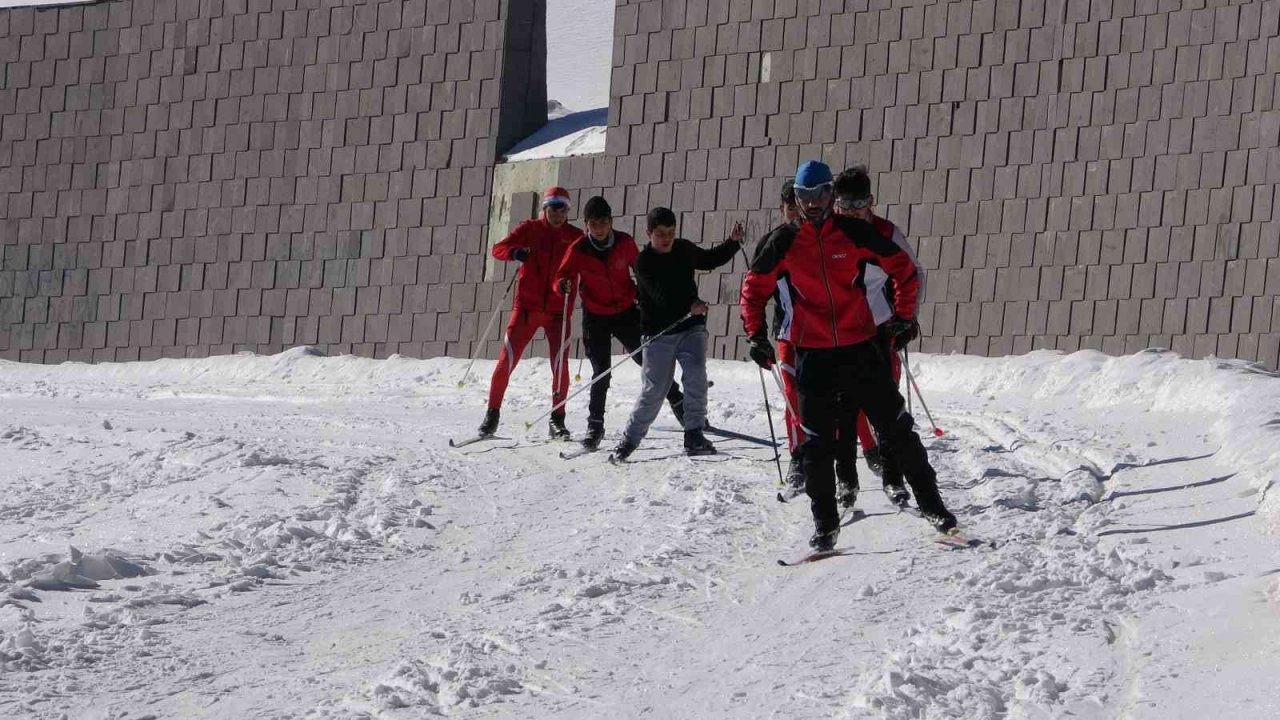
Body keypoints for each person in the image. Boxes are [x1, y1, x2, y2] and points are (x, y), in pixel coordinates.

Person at [741, 160, 957, 551]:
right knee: (817, 444)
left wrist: (904, 317)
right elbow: (753, 289)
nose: (813, 204)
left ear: (831, 195)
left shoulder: (856, 233)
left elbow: (905, 271)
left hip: (861, 348)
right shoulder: (782, 242)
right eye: (804, 197)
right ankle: (825, 524)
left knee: (896, 428)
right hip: (814, 356)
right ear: (797, 198)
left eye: (821, 194)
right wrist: (755, 335)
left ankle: (934, 506)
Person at [752, 180, 861, 505]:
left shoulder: (823, 239)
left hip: (825, 336)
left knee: (834, 400)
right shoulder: (773, 242)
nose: (793, 216)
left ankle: (841, 468)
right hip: (787, 332)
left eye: (795, 209)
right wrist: (756, 332)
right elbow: (757, 287)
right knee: (792, 397)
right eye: (788, 210)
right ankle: (797, 459)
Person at [609, 208, 743, 461]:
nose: (667, 238)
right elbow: (661, 298)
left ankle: (693, 433)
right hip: (658, 334)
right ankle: (629, 440)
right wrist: (689, 306)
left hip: (690, 328)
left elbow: (709, 259)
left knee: (696, 377)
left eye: (671, 233)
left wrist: (732, 243)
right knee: (655, 389)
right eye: (660, 234)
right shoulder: (643, 262)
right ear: (649, 233)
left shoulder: (683, 249)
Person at [554, 196, 686, 451]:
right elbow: (562, 275)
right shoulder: (578, 248)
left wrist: (650, 299)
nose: (600, 229)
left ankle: (680, 404)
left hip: (626, 311)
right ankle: (595, 426)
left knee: (649, 363)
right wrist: (562, 285)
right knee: (601, 371)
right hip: (595, 317)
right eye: (594, 224)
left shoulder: (624, 243)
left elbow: (641, 271)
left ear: (611, 222)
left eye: (604, 223)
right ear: (586, 224)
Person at [832, 165, 925, 508]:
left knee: (886, 408)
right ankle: (846, 482)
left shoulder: (886, 232)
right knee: (842, 409)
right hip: (838, 332)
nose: (855, 210)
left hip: (880, 329)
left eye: (862, 202)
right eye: (846, 203)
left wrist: (907, 318)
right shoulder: (828, 234)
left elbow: (913, 274)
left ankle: (893, 478)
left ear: (872, 201)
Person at [479, 186, 580, 440]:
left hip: (559, 311)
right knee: (507, 360)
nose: (557, 214)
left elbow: (591, 264)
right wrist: (515, 252)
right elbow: (497, 249)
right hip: (526, 308)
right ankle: (492, 414)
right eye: (552, 209)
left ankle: (557, 419)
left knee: (560, 366)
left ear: (568, 211)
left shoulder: (576, 236)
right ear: (544, 209)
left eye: (562, 209)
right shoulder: (530, 229)